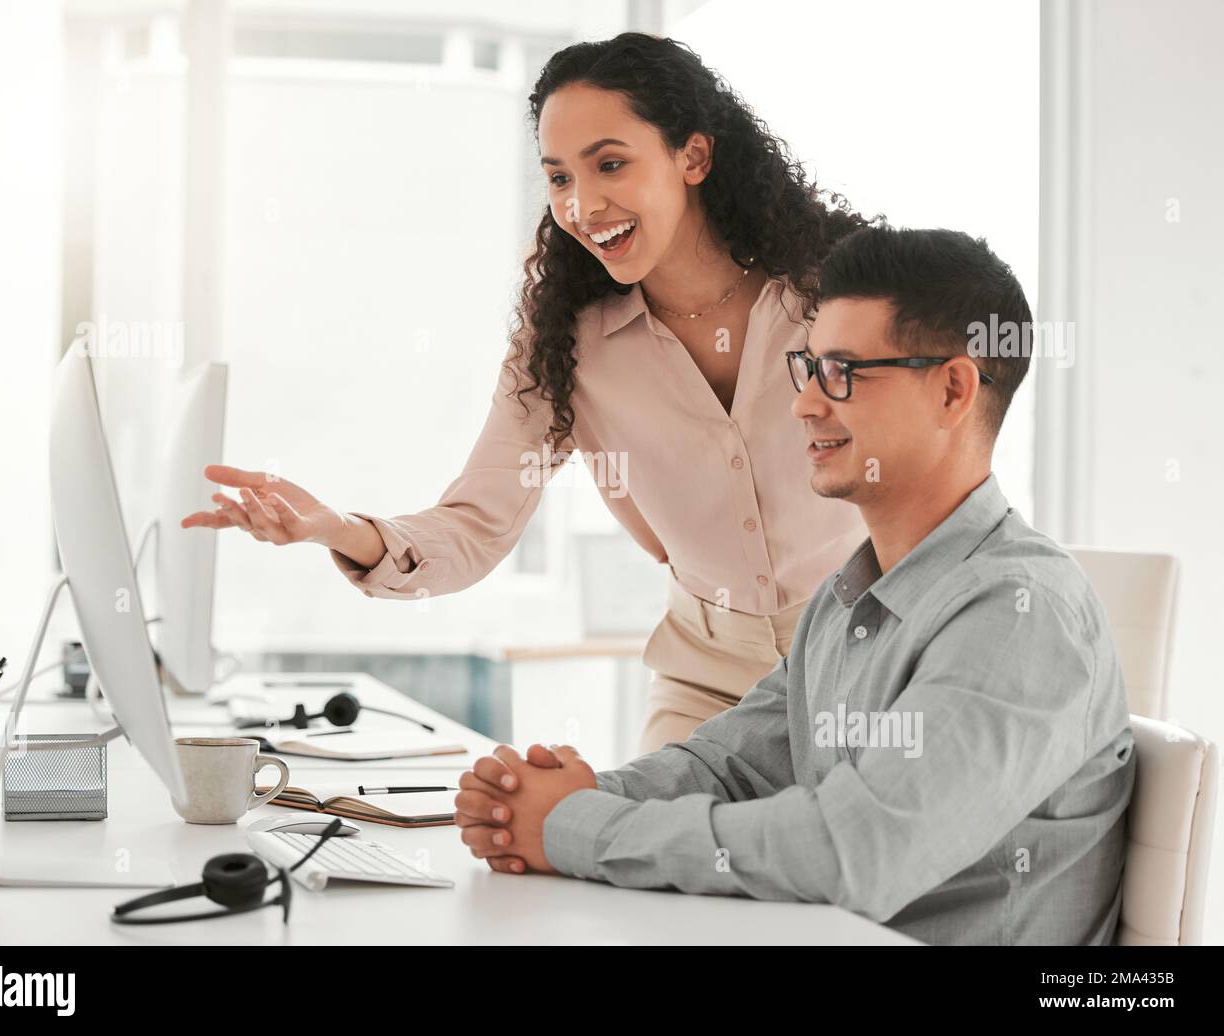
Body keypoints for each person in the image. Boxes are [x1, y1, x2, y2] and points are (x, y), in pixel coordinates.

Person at [181, 33, 875, 752]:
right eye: (560, 178)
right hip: (708, 685)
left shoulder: (842, 296)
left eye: (610, 164)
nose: (583, 205)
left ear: (692, 157)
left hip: (873, 660)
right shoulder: (566, 342)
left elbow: (941, 474)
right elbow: (477, 525)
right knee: (636, 854)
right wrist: (341, 530)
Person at [451, 226, 1137, 946]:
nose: (805, 404)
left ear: (953, 389)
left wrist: (572, 827)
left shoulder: (1020, 616)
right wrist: (551, 799)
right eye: (807, 367)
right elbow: (731, 767)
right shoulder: (852, 597)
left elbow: (851, 854)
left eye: (843, 372)